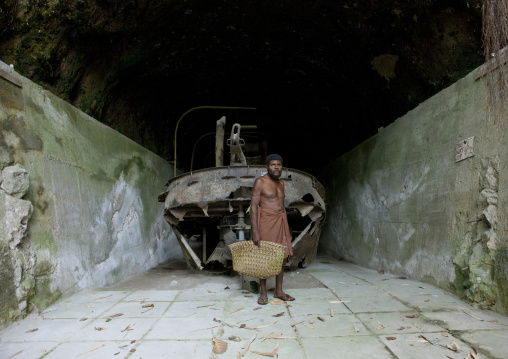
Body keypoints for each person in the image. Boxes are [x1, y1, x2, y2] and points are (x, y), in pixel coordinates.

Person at [250, 154, 295, 305]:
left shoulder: (281, 183)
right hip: (266, 222)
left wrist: (286, 228)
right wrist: (255, 232)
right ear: (267, 166)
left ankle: (279, 291)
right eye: (273, 164)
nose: (276, 167)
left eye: (279, 164)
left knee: (282, 257)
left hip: (281, 221)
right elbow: (254, 208)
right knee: (265, 256)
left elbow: (281, 206)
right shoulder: (260, 182)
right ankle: (263, 293)